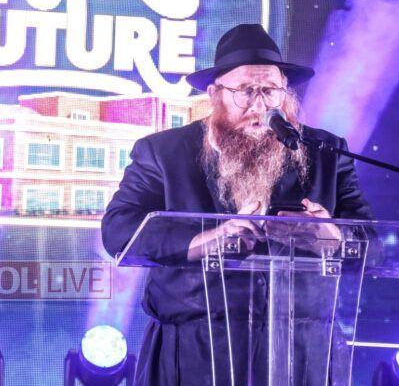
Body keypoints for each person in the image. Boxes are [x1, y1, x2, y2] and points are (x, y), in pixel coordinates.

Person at [101, 23, 373, 385]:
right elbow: (118, 231)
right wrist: (207, 241)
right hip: (196, 348)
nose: (260, 106)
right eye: (245, 92)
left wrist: (332, 239)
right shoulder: (163, 152)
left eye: (270, 91)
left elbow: (375, 246)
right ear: (215, 94)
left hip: (303, 351)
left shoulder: (326, 153)